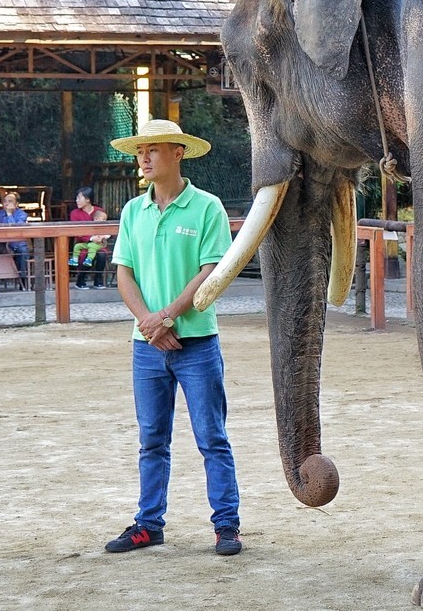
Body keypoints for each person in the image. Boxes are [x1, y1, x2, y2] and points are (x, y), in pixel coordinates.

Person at [103, 119, 242, 557]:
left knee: (211, 438)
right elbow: (123, 271)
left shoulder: (207, 208)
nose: (143, 159)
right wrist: (149, 322)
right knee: (151, 439)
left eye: (153, 150)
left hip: (196, 342)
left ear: (178, 152)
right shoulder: (131, 211)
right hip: (146, 346)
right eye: (139, 152)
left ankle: (226, 526)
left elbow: (211, 271)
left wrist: (165, 317)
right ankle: (148, 524)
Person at [68, 186, 110, 289]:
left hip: (99, 243)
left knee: (102, 254)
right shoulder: (74, 213)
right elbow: (76, 231)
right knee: (84, 254)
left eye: (79, 198)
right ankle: (80, 280)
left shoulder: (99, 211)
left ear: (87, 199)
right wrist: (91, 238)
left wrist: (102, 237)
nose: (76, 200)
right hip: (84, 243)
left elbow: (105, 226)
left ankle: (98, 280)